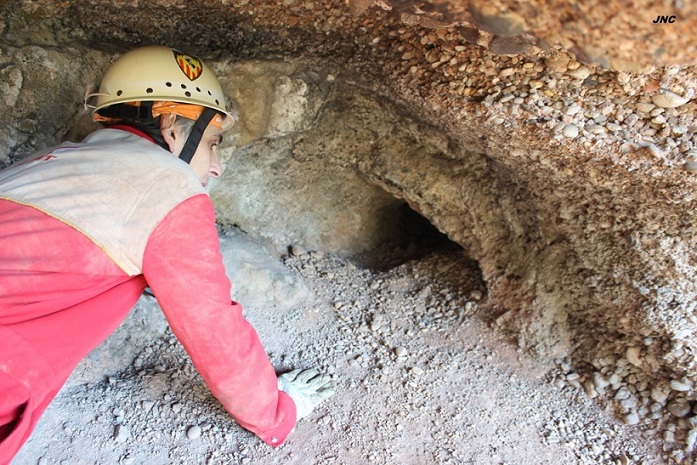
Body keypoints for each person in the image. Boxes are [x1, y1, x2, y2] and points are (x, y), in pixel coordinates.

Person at [0, 45, 335, 464]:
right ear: (174, 127)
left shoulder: (45, 163)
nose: (216, 166)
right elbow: (213, 329)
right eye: (213, 142)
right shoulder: (169, 186)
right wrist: (276, 413)